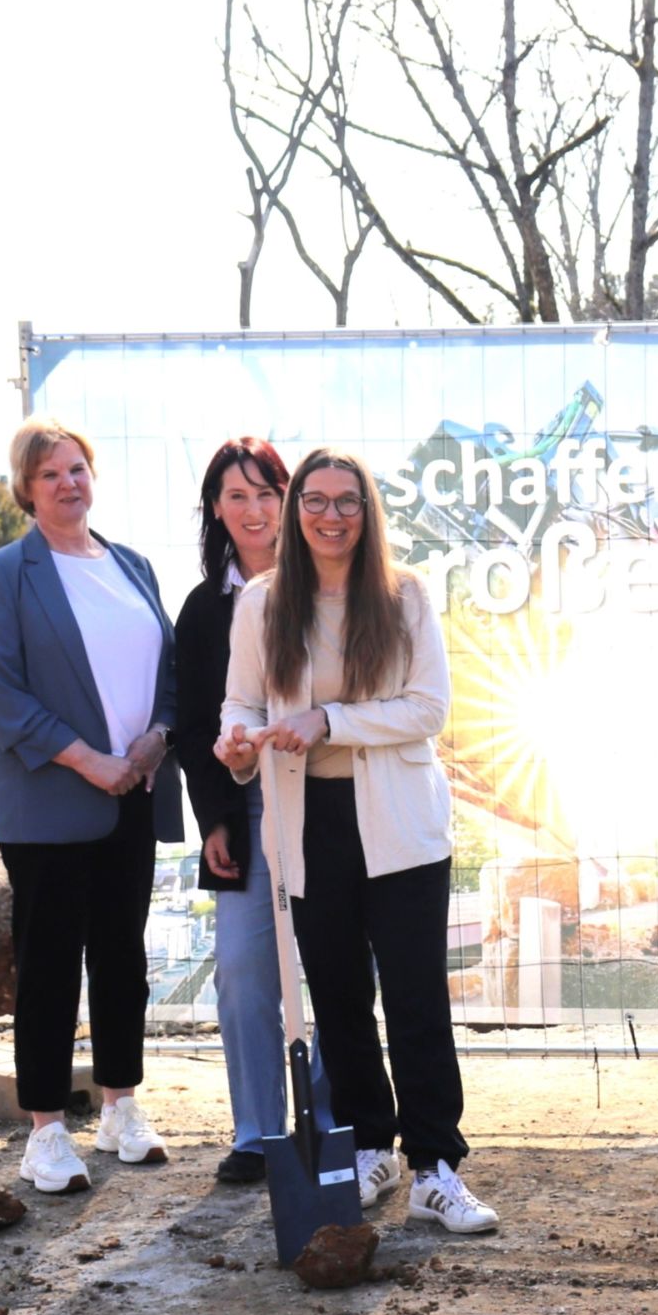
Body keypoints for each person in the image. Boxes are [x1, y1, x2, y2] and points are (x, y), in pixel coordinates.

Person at [216, 447, 497, 1234]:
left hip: (400, 829)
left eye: (347, 501)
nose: (330, 515)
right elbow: (238, 701)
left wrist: (329, 721)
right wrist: (238, 741)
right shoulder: (263, 604)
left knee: (415, 1000)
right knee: (338, 999)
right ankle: (371, 1145)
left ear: (368, 512)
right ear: (295, 508)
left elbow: (428, 708)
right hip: (308, 826)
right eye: (316, 500)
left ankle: (436, 1166)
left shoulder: (404, 597)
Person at [0, 418, 183, 1195]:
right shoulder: (5, 573)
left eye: (78, 468)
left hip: (135, 791)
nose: (68, 482)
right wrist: (86, 757)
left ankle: (123, 1106)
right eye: (51, 473)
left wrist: (157, 738)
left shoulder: (134, 566)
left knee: (123, 956)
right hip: (53, 797)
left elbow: (173, 669)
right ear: (27, 488)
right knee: (52, 963)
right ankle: (48, 1130)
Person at [173, 438, 296, 1185]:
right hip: (247, 807)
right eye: (237, 496)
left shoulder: (328, 586)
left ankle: (351, 1125)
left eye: (266, 492)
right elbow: (192, 726)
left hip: (330, 801)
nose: (254, 511)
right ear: (216, 508)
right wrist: (216, 818)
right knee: (245, 970)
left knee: (336, 967)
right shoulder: (202, 608)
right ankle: (257, 1131)